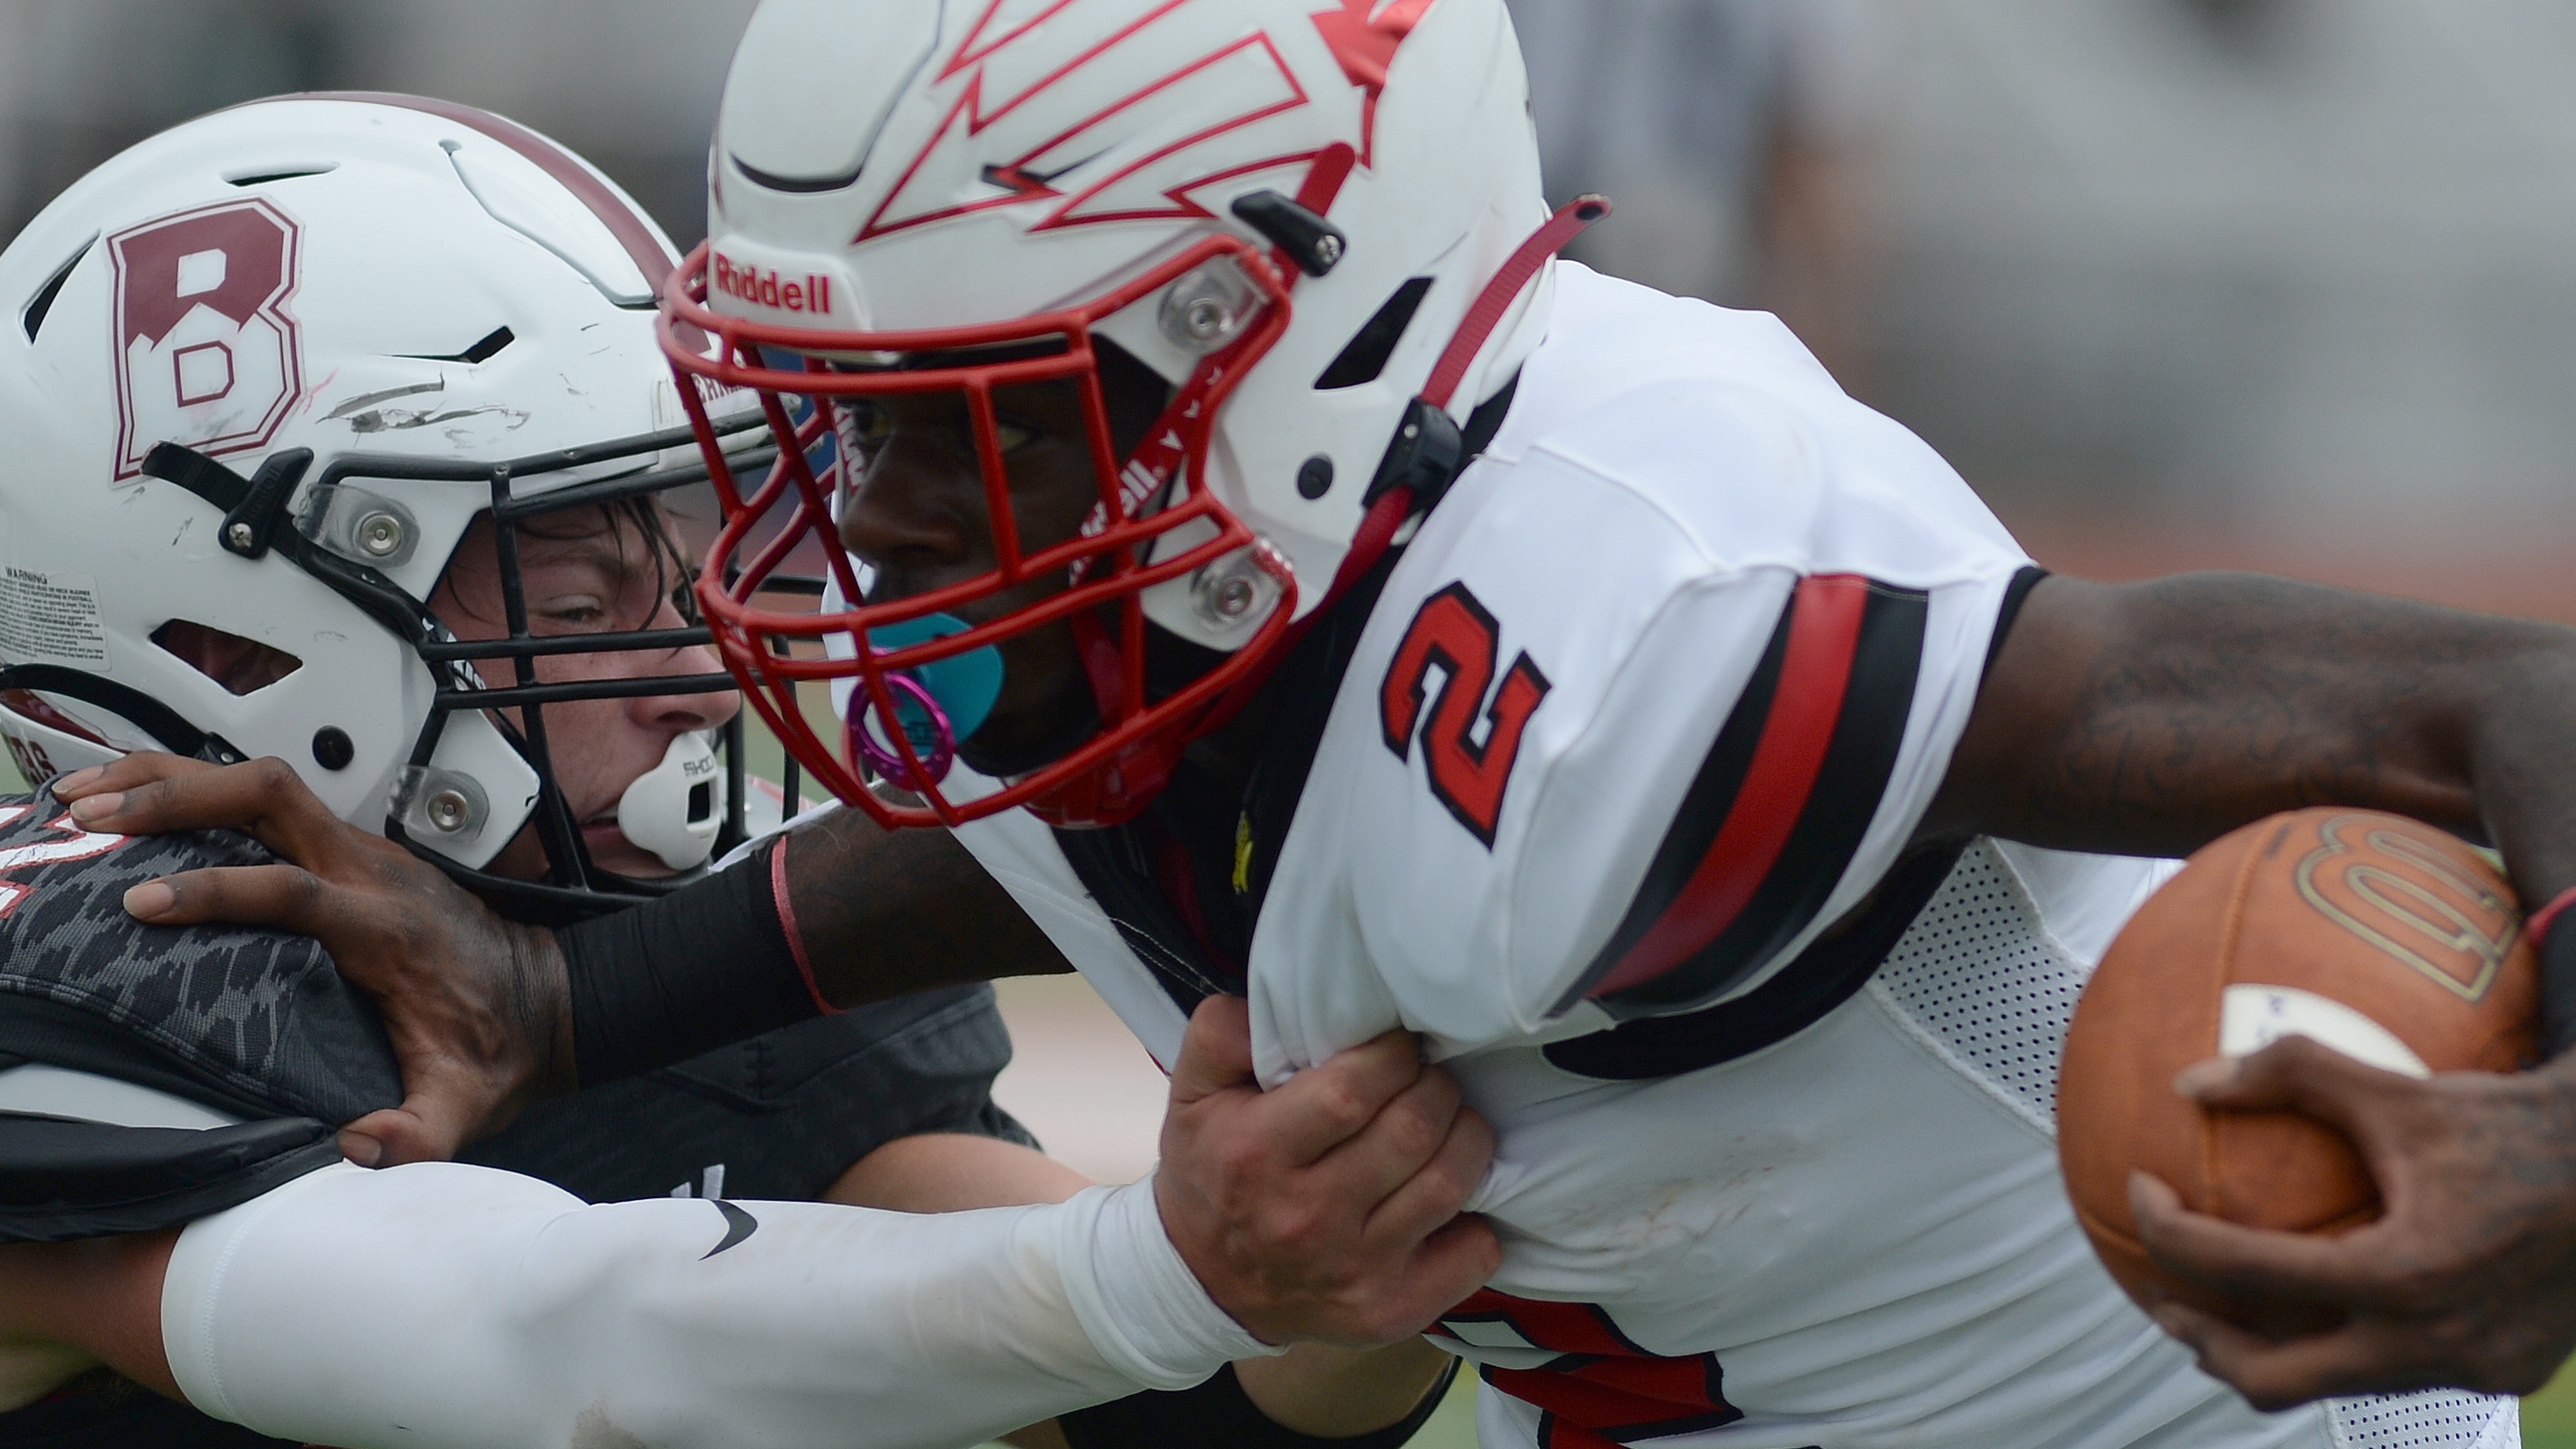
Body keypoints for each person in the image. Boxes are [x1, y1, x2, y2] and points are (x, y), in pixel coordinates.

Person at [5, 1, 2568, 1445]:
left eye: (947, 419)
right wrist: (589, 995)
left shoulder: (1639, 635)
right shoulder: (1206, 592)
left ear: (1273, 350)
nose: (849, 524)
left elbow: (2513, 695)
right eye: (842, 418)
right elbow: (1062, 822)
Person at [0, 92, 1475, 1448]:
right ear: (232, 654)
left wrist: (1378, 1214)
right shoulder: (102, 962)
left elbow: (1183, 1414)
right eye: (575, 610)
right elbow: (529, 1340)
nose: (705, 676)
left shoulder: (660, 946)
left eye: (696, 578)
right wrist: (1159, 1277)